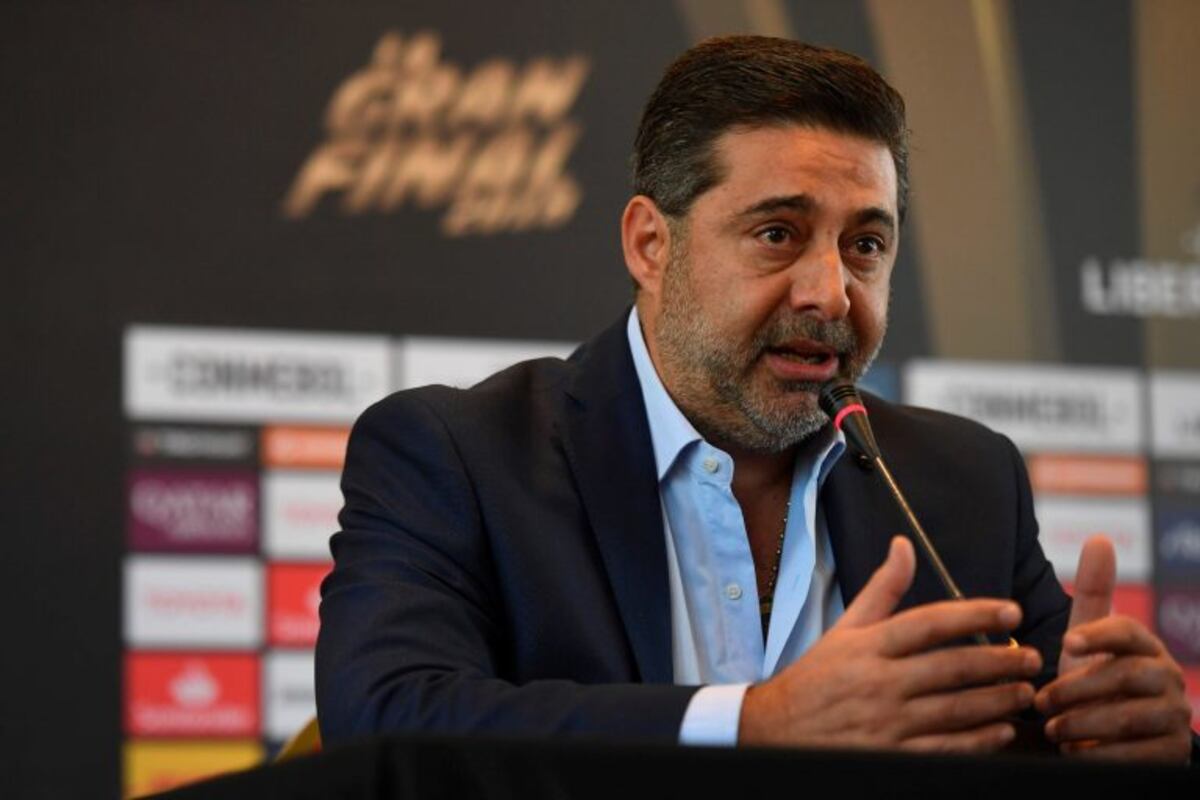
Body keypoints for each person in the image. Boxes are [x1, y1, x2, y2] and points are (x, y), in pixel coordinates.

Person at [316, 35, 1195, 762]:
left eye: (865, 245)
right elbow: (389, 721)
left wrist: (1141, 735)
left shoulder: (962, 480)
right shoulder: (459, 454)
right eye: (778, 233)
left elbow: (1055, 729)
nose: (831, 293)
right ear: (650, 245)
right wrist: (758, 723)